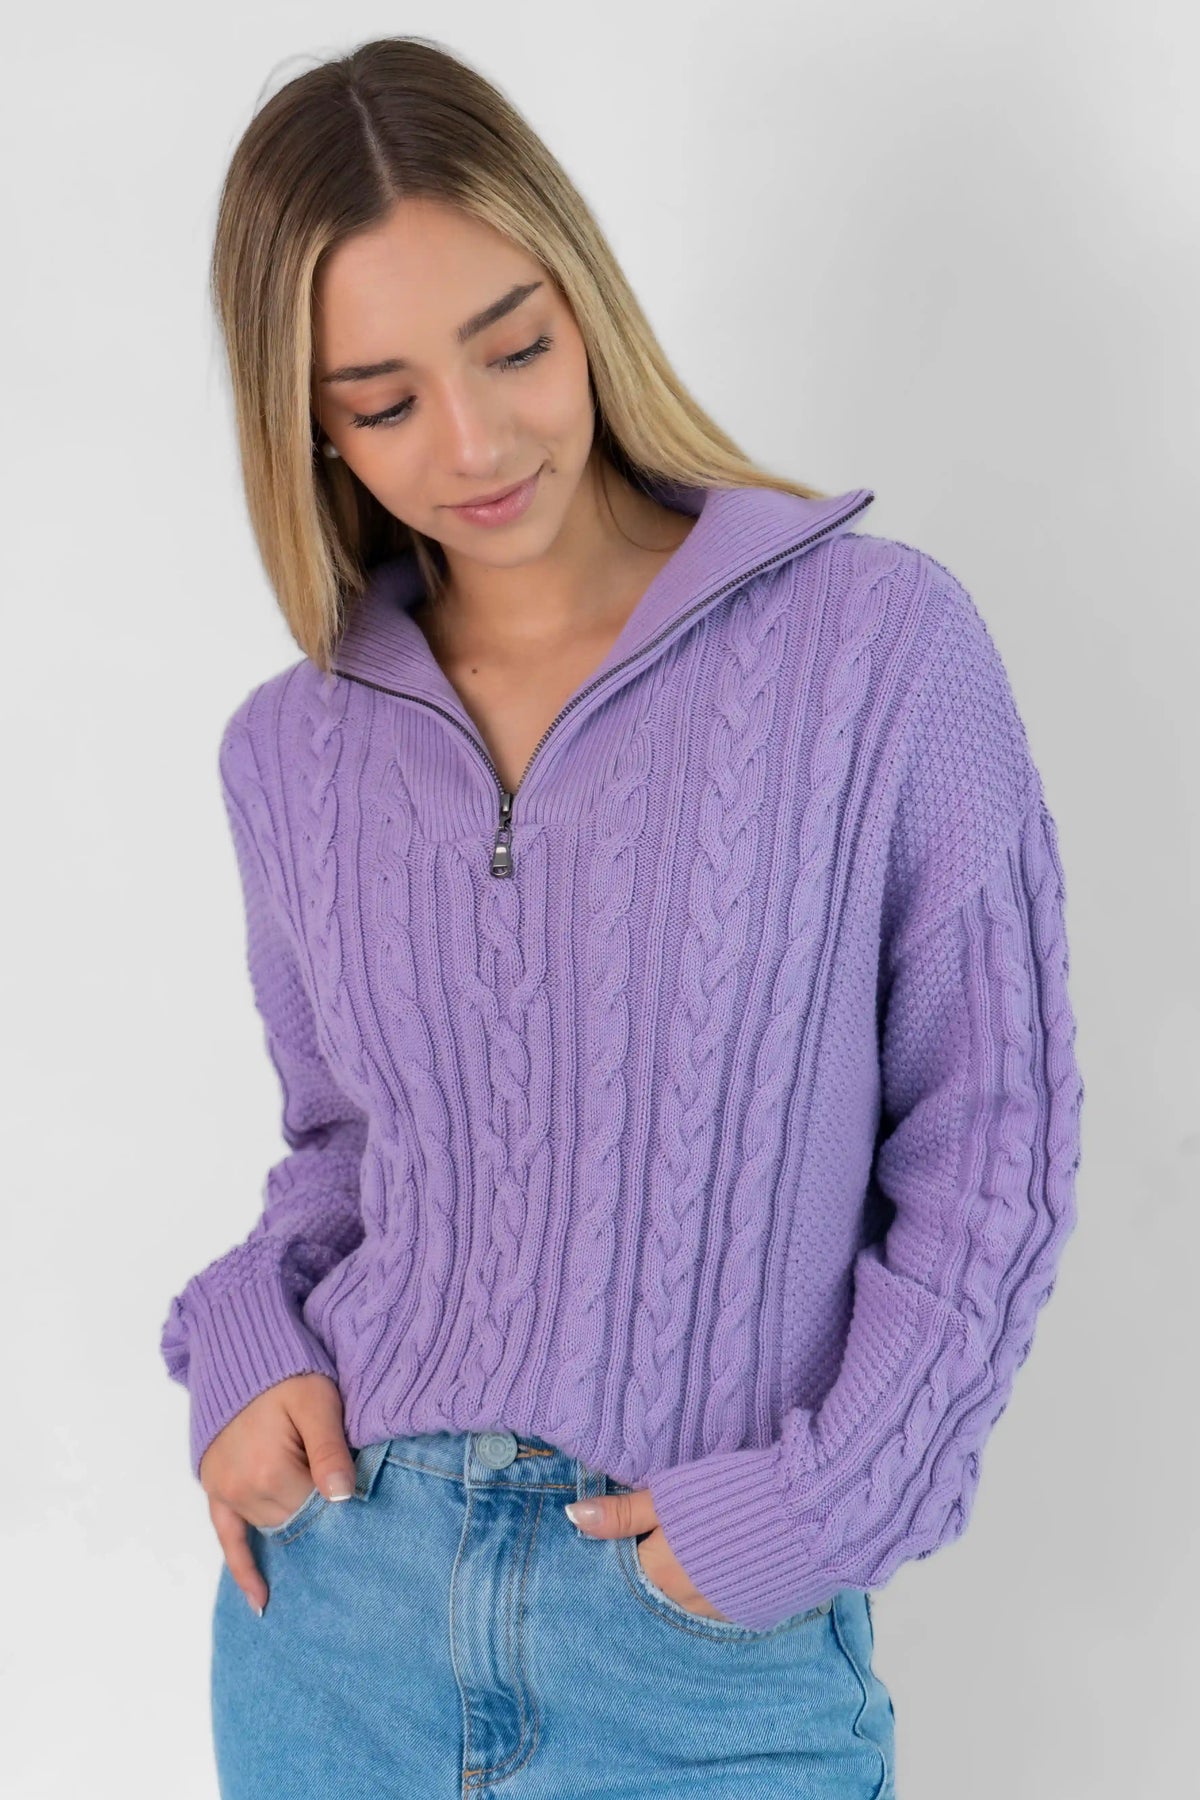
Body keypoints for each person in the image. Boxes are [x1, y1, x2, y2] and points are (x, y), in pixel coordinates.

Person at [158, 33, 1085, 1800]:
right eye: (383, 400)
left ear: (583, 302)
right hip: (340, 1622)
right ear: (307, 422)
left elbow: (997, 1142)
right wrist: (247, 1348)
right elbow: (344, 1151)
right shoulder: (292, 747)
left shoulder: (877, 648)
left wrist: (827, 1505)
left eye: (513, 345)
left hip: (697, 1651)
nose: (477, 439)